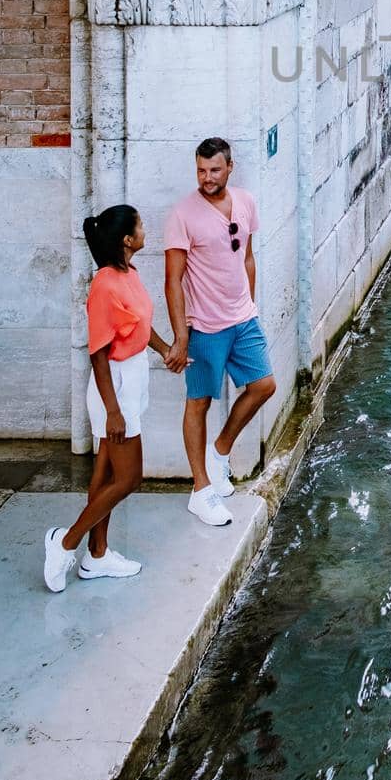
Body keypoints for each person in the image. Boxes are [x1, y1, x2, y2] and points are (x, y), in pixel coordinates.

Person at [43, 206, 177, 592]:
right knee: (129, 477)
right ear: (126, 239)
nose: (144, 230)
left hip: (132, 379)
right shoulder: (103, 284)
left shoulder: (129, 274)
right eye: (140, 225)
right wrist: (113, 412)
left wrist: (166, 350)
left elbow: (138, 327)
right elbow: (98, 354)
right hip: (113, 388)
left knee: (104, 476)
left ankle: (96, 556)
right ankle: (65, 542)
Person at [164, 138, 276, 527]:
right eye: (200, 170)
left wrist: (251, 305)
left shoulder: (245, 201)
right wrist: (180, 337)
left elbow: (246, 256)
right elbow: (173, 281)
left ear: (230, 167)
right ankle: (201, 490)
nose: (206, 178)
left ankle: (220, 452)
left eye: (214, 170)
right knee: (199, 403)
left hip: (243, 319)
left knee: (264, 385)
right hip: (204, 327)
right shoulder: (183, 214)